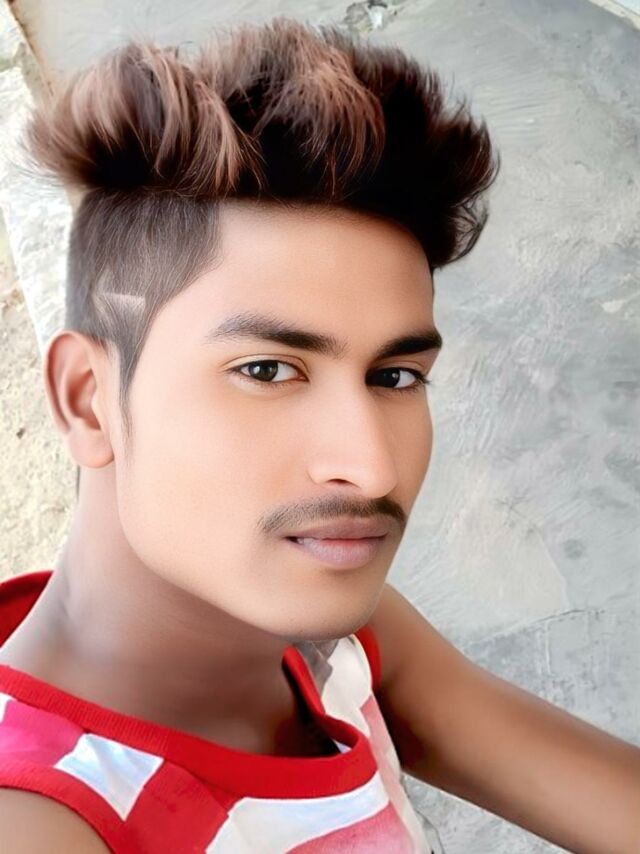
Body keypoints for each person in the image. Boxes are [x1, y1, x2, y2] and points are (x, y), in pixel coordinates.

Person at [0, 16, 637, 854]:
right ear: (88, 399)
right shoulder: (41, 818)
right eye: (268, 370)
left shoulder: (333, 643)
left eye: (394, 377)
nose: (370, 468)